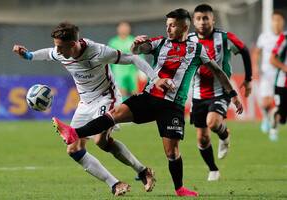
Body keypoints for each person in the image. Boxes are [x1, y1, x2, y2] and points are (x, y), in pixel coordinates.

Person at [52, 9, 243, 197]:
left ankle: (180, 189)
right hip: (149, 97)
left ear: (184, 26)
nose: (168, 29)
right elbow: (137, 52)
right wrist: (136, 45)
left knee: (172, 152)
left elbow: (218, 71)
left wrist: (233, 94)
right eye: (167, 25)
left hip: (172, 106)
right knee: (115, 114)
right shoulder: (160, 42)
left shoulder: (197, 49)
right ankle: (74, 132)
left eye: (172, 25)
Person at [12, 22, 158, 196]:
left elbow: (133, 58)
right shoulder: (61, 52)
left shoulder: (98, 52)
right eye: (56, 46)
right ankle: (115, 184)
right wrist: (28, 55)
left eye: (60, 47)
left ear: (73, 44)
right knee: (73, 149)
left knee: (100, 141)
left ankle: (142, 172)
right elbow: (48, 54)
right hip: (85, 103)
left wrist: (155, 79)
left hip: (106, 97)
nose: (57, 51)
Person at [188, 4, 252, 181]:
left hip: (221, 90)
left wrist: (248, 79)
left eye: (206, 18)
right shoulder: (188, 40)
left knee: (213, 122)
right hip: (197, 95)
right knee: (202, 139)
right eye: (199, 19)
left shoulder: (224, 38)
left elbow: (244, 50)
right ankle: (213, 169)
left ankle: (225, 135)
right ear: (194, 21)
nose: (202, 22)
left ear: (212, 19)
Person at [252, 11, 285, 137]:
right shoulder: (264, 37)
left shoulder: (285, 37)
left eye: (279, 20)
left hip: (281, 75)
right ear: (271, 22)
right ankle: (266, 117)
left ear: (282, 23)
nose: (276, 23)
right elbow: (256, 52)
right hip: (266, 74)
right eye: (274, 20)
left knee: (278, 103)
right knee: (265, 103)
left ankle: (274, 128)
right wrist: (255, 66)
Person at [108, 22, 140, 100]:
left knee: (135, 92)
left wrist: (141, 72)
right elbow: (109, 59)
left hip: (132, 71)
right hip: (118, 71)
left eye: (126, 27)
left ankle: (136, 110)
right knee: (121, 93)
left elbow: (140, 57)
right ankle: (123, 109)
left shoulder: (133, 41)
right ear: (118, 29)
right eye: (121, 27)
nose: (124, 29)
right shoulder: (113, 42)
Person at [269, 31, 287, 140]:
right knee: (282, 116)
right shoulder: (284, 37)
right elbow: (272, 59)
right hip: (282, 82)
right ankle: (273, 128)